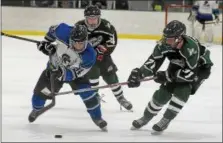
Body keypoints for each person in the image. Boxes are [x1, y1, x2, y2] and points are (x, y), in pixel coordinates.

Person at [127, 20, 213, 133]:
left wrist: (168, 75)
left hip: (200, 68)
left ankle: (166, 119)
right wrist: (139, 74)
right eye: (166, 37)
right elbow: (153, 62)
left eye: (171, 39)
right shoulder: (164, 44)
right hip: (178, 62)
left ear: (179, 38)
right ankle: (146, 117)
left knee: (182, 91)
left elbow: (189, 74)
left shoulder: (191, 47)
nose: (167, 41)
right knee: (163, 93)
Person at [28, 23, 107, 131]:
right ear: (70, 39)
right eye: (75, 42)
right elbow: (51, 31)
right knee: (40, 95)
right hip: (53, 70)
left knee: (89, 96)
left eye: (81, 43)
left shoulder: (89, 55)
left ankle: (97, 118)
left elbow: (76, 73)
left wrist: (62, 73)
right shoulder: (63, 30)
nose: (78, 46)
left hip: (76, 76)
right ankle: (36, 109)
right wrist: (47, 44)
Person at [76, 5, 133, 110]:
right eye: (89, 19)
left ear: (99, 17)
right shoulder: (79, 26)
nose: (92, 21)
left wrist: (103, 51)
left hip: (103, 56)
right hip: (87, 57)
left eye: (94, 18)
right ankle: (94, 97)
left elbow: (112, 43)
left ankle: (120, 98)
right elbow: (73, 43)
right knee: (92, 75)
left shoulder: (106, 26)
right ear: (85, 18)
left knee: (111, 76)